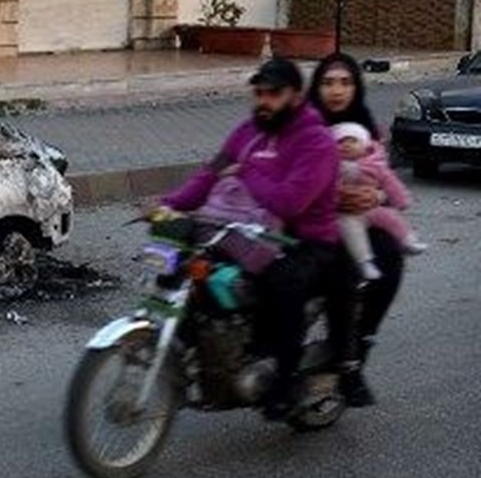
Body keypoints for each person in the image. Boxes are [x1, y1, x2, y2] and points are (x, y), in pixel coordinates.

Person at [157, 58, 341, 420]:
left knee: (283, 284)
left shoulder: (316, 141)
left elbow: (290, 201)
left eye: (273, 93)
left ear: (296, 96)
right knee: (187, 265)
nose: (264, 100)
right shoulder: (246, 132)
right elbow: (209, 175)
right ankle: (200, 353)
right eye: (258, 93)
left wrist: (249, 171)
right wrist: (168, 205)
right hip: (247, 234)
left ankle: (284, 382)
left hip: (305, 241)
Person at [309, 53, 407, 407]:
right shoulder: (306, 124)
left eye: (345, 82)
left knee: (391, 258)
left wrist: (376, 193)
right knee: (343, 272)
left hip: (362, 217)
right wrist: (337, 197)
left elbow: (385, 178)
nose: (337, 91)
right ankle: (345, 365)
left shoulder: (366, 125)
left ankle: (362, 341)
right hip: (315, 221)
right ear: (316, 86)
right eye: (328, 82)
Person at [331, 122, 426, 281]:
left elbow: (390, 182)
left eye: (352, 141)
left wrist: (400, 200)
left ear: (364, 144)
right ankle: (364, 262)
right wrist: (339, 196)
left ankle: (407, 240)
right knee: (352, 232)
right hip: (346, 212)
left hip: (370, 207)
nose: (346, 146)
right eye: (340, 142)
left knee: (390, 217)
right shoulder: (333, 165)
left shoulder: (374, 164)